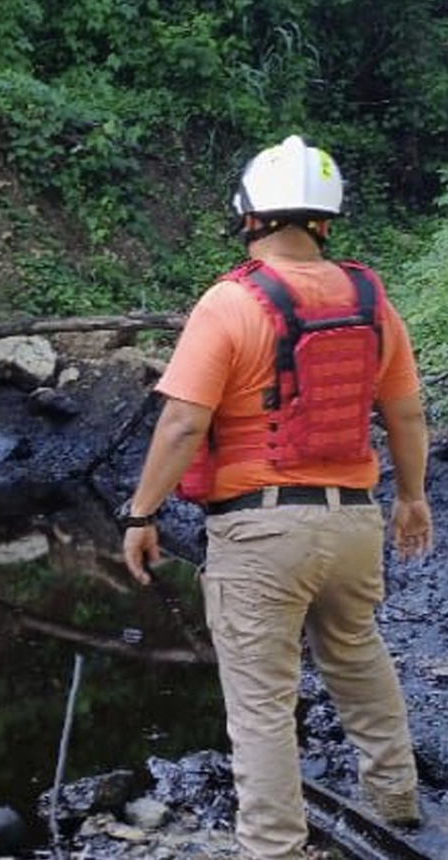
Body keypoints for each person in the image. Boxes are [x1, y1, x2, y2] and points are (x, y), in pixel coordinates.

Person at [118, 134, 433, 860]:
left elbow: (184, 423)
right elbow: (406, 412)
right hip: (353, 521)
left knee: (260, 700)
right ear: (326, 217)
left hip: (260, 531)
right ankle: (395, 797)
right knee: (357, 651)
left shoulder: (230, 303)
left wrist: (141, 511)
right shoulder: (371, 299)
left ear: (250, 215)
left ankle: (273, 847)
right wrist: (412, 499)